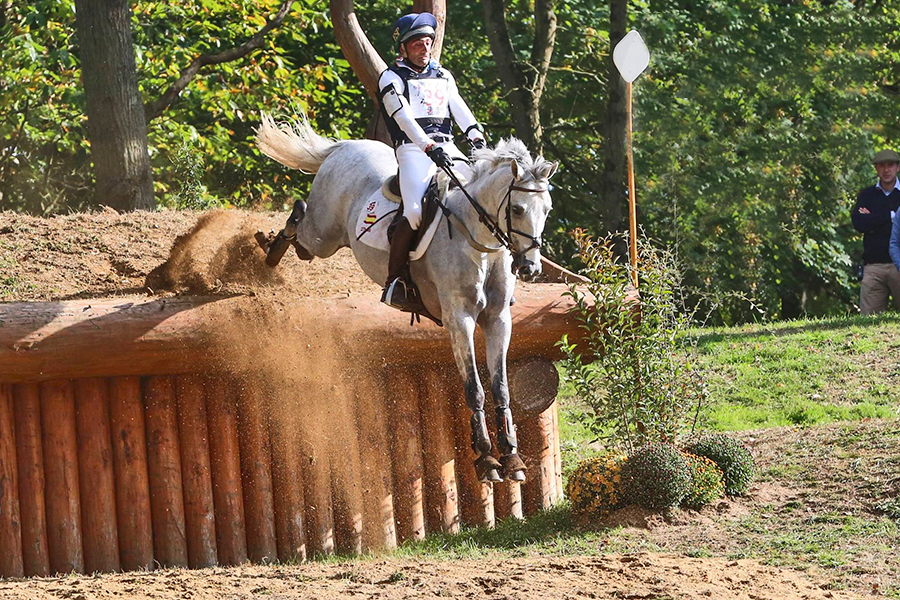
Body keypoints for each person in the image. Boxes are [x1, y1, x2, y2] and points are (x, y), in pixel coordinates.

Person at [377, 12, 487, 312]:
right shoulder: (391, 77)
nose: (424, 48)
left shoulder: (443, 75)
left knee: (480, 196)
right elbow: (403, 117)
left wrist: (475, 134)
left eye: (428, 42)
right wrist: (427, 146)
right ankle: (395, 281)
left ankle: (494, 274)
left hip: (447, 147)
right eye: (416, 44)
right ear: (403, 47)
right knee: (414, 212)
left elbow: (459, 108)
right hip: (413, 151)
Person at [852, 149, 900, 315]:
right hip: (873, 267)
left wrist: (872, 218)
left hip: (899, 264)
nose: (886, 170)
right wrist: (892, 216)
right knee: (868, 322)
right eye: (882, 165)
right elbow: (858, 223)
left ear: (898, 167)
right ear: (876, 168)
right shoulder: (867, 195)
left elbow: (868, 222)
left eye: (890, 165)